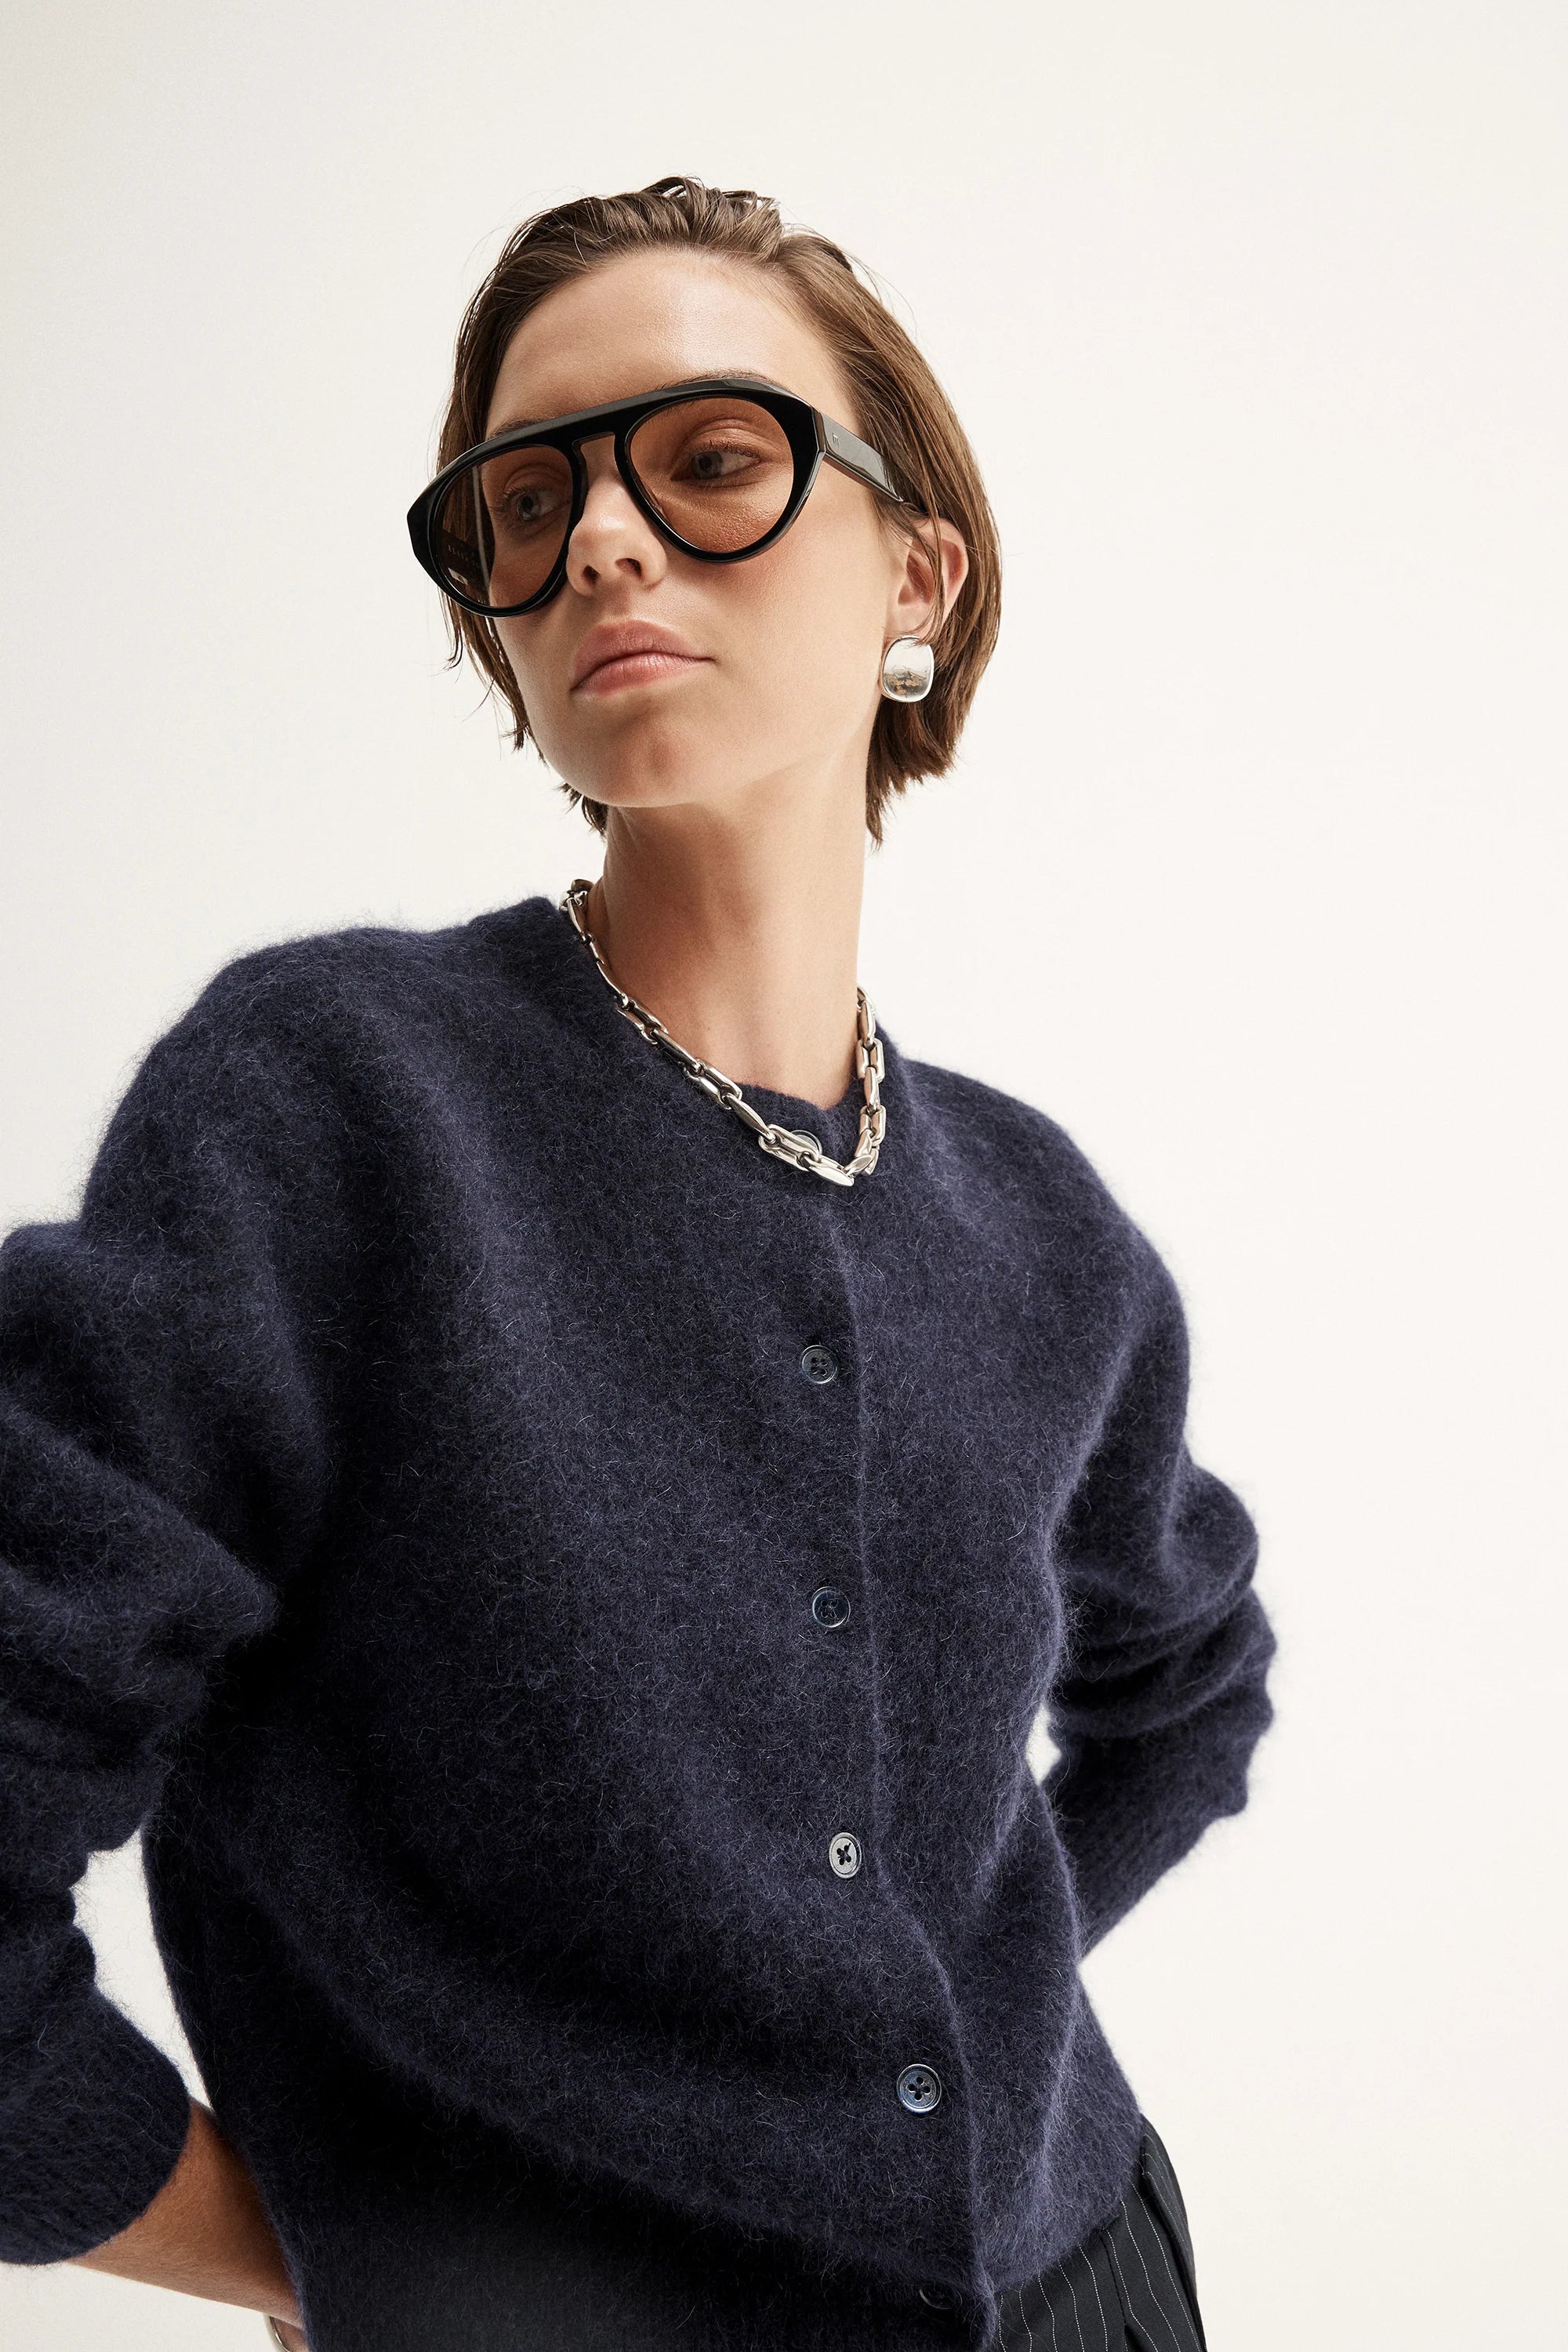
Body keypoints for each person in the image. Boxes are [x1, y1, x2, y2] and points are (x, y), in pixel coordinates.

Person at [0, 176, 1276, 2350]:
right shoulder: (334, 1111)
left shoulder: (1043, 1231)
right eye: (530, 501)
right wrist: (308, 2249)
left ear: (918, 570)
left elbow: (1192, 1686)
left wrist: (960, 2010)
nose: (602, 539)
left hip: (1091, 2289)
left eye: (709, 460)